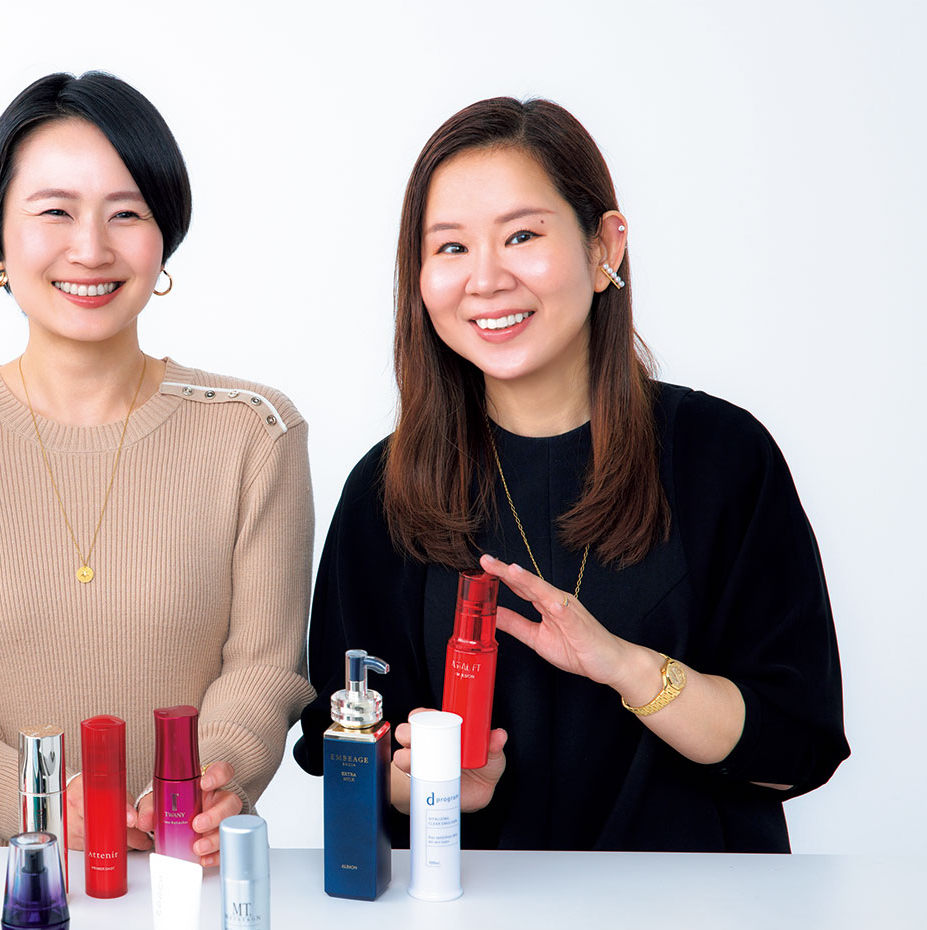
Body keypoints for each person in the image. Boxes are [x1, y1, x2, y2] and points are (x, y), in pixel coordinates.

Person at [293, 98, 847, 852]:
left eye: (521, 235)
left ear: (604, 247)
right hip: (467, 915)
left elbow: (793, 750)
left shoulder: (721, 456)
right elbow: (342, 754)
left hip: (697, 917)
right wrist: (430, 781)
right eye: (450, 247)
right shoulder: (387, 489)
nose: (485, 279)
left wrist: (624, 666)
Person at [0, 72, 313, 867]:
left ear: (164, 236)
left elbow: (265, 666)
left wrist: (210, 779)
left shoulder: (255, 430)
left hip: (186, 874)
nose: (92, 248)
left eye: (126, 213)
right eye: (55, 211)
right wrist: (35, 800)